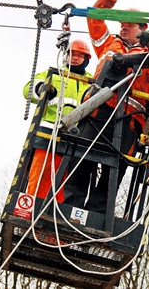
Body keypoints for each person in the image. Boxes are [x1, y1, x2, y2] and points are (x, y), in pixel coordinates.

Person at [64, 0, 149, 213]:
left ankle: (98, 216)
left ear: (142, 29)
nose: (123, 29)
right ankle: (69, 210)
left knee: (115, 168)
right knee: (82, 160)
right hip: (98, 111)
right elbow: (95, 17)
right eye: (122, 25)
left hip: (129, 121)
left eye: (129, 25)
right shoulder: (108, 43)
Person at [23, 38, 93, 203]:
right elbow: (28, 89)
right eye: (71, 54)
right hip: (48, 136)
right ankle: (33, 210)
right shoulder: (54, 74)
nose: (74, 58)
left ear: (86, 59)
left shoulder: (92, 82)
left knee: (67, 183)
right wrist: (41, 89)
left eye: (79, 55)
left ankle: (57, 214)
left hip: (76, 139)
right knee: (40, 177)